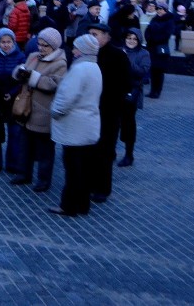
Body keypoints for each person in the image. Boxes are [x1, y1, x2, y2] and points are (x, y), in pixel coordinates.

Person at [47, 34, 102, 217]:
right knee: (85, 169)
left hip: (74, 127)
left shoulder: (79, 69)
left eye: (76, 47)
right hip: (88, 126)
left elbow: (66, 97)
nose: (73, 50)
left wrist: (55, 111)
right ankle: (83, 205)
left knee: (73, 170)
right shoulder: (94, 67)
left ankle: (68, 206)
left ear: (83, 50)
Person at [14, 27, 68, 192]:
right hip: (27, 109)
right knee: (25, 145)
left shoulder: (60, 63)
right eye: (40, 44)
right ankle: (24, 174)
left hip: (44, 111)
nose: (41, 48)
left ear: (54, 46)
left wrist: (32, 77)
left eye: (45, 45)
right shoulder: (33, 56)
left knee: (45, 150)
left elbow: (54, 84)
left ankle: (43, 180)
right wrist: (19, 73)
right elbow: (23, 70)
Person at [86, 22, 131, 203]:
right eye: (89, 34)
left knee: (104, 151)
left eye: (95, 34)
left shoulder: (118, 56)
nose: (91, 37)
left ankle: (102, 189)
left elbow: (125, 84)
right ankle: (88, 183)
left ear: (106, 36)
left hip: (108, 112)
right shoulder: (88, 55)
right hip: (89, 111)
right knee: (89, 149)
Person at [0, 28, 26, 175]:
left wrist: (12, 93)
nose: (6, 45)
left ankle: (12, 163)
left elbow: (22, 79)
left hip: (14, 99)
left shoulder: (20, 56)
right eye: (3, 42)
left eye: (9, 42)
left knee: (14, 133)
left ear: (13, 42)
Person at [118, 29, 151, 166]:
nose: (131, 41)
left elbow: (142, 72)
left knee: (128, 124)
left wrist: (127, 60)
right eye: (128, 38)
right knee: (113, 123)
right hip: (116, 91)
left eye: (134, 39)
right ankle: (110, 151)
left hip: (132, 92)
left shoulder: (144, 53)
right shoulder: (119, 50)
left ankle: (129, 154)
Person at [144, 2, 174, 98]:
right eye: (158, 9)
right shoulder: (155, 19)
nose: (159, 11)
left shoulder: (169, 20)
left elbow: (166, 34)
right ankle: (152, 91)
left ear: (165, 10)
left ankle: (157, 91)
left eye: (161, 9)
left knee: (159, 70)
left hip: (161, 48)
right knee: (153, 70)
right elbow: (148, 30)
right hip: (152, 47)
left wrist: (154, 39)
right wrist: (149, 38)